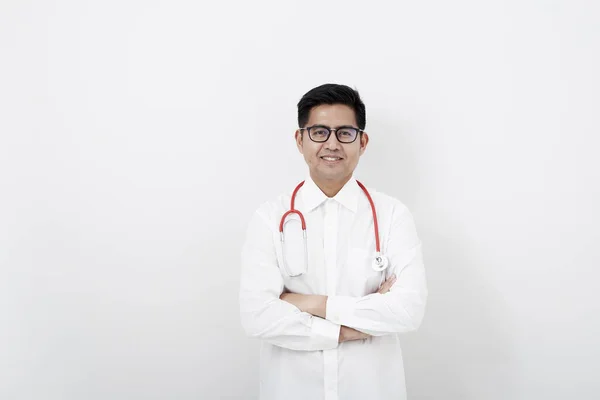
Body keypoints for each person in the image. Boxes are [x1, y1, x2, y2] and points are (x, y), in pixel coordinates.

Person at [239, 83, 427, 400]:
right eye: (319, 132)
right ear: (300, 140)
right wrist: (347, 331)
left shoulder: (393, 215)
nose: (332, 144)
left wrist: (310, 303)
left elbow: (408, 310)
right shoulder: (270, 218)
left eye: (345, 133)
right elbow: (257, 317)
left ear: (362, 141)